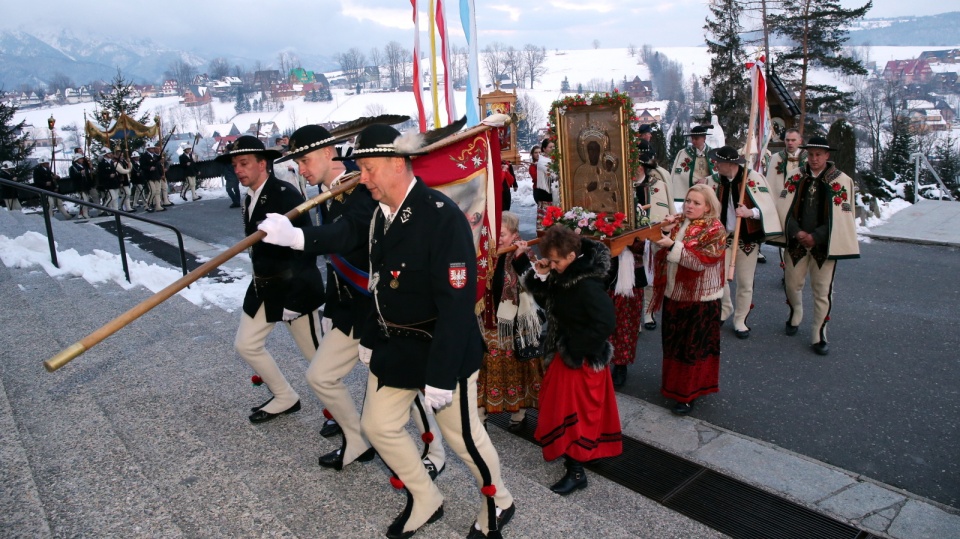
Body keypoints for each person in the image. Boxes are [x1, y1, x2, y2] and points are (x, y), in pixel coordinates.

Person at [273, 124, 514, 539]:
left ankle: (500, 500)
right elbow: (377, 284)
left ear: (397, 163)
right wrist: (369, 338)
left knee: (463, 439)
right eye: (361, 169)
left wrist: (440, 377)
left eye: (368, 169)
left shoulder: (441, 217)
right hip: (396, 345)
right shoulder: (381, 215)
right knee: (378, 426)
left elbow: (456, 307)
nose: (361, 177)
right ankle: (425, 497)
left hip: (443, 349)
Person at [260, 124, 447, 476]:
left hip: (380, 307)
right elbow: (338, 259)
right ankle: (357, 438)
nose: (301, 168)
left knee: (402, 387)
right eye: (297, 161)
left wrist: (298, 237)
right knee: (320, 375)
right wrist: (333, 305)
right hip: (349, 306)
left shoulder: (362, 184)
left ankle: (433, 450)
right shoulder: (330, 190)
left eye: (305, 159)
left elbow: (347, 234)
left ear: (329, 152)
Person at [215, 135, 326, 423]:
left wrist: (295, 298)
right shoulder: (250, 195)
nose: (238, 169)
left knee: (319, 361)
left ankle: (339, 415)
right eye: (235, 164)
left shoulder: (284, 194)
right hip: (264, 285)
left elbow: (305, 247)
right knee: (246, 344)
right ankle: (285, 396)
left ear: (262, 164)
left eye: (244, 163)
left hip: (295, 288)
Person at [518, 225, 620, 495]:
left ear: (572, 257)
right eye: (549, 260)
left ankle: (576, 472)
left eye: (555, 261)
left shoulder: (585, 285)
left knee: (569, 415)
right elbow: (550, 302)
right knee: (577, 413)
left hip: (579, 359)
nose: (552, 265)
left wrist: (576, 350)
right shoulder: (566, 274)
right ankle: (589, 452)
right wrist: (539, 275)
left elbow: (606, 321)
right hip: (568, 354)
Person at [773, 136, 860, 356]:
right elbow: (785, 209)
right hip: (797, 242)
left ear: (827, 155)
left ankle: (819, 333)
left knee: (822, 292)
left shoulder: (841, 181)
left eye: (818, 154)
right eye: (810, 154)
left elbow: (842, 217)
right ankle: (796, 312)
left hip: (824, 246)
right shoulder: (795, 177)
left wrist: (817, 236)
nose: (814, 159)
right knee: (792, 284)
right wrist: (797, 232)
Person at [651, 184, 727, 414]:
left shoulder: (715, 229)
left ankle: (687, 394)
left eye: (696, 203)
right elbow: (663, 252)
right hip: (675, 293)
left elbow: (700, 262)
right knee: (674, 344)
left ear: (708, 207)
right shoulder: (680, 221)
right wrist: (665, 231)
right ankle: (674, 387)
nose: (690, 206)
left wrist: (672, 244)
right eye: (688, 201)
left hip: (701, 299)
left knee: (692, 349)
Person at [476, 211, 544, 429]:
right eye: (495, 233)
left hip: (515, 327)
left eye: (503, 234)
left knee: (518, 372)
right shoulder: (484, 250)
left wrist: (520, 258)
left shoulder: (524, 252)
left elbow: (536, 285)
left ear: (515, 234)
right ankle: (480, 416)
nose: (499, 239)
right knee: (483, 372)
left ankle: (519, 414)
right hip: (487, 324)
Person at [706, 146, 782, 339]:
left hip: (747, 238)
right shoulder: (713, 181)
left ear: (730, 164)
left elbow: (767, 206)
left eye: (719, 162)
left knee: (745, 283)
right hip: (723, 238)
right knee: (719, 279)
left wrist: (750, 213)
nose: (716, 165)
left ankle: (740, 320)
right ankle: (726, 308)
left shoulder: (753, 178)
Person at [635, 151, 676, 332]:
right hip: (630, 239)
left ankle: (648, 311)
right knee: (632, 278)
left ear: (641, 166)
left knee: (651, 276)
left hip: (652, 236)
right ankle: (634, 315)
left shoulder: (659, 185)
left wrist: (668, 227)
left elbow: (669, 210)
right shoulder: (622, 186)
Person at [669, 124, 715, 206]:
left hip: (707, 191)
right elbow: (678, 176)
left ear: (704, 138)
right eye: (692, 138)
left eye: (696, 139)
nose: (693, 141)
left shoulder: (713, 153)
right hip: (690, 191)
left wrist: (707, 180)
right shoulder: (683, 153)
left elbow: (718, 174)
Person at [765, 128, 806, 198]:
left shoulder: (808, 158)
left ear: (800, 141)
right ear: (784, 141)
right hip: (781, 198)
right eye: (787, 140)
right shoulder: (776, 158)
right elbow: (770, 181)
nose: (790, 143)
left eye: (793, 140)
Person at [535, 138, 556, 229]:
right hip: (545, 193)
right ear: (544, 149)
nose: (553, 148)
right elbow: (553, 174)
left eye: (554, 146)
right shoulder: (542, 161)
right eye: (550, 147)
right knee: (544, 220)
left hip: (553, 193)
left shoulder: (553, 159)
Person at [68, 151, 95, 219]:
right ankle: (82, 213)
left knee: (86, 200)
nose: (82, 160)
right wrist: (80, 173)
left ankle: (85, 213)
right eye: (80, 159)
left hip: (85, 185)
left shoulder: (84, 166)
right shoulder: (73, 168)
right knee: (84, 200)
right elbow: (72, 176)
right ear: (77, 160)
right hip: (79, 186)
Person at [140, 144, 167, 213]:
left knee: (158, 191)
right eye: (151, 148)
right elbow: (142, 166)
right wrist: (149, 168)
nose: (152, 149)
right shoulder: (144, 156)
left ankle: (158, 205)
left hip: (157, 176)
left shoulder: (155, 156)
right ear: (148, 149)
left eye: (153, 148)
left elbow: (159, 166)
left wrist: (161, 174)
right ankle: (147, 205)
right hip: (149, 176)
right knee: (153, 191)